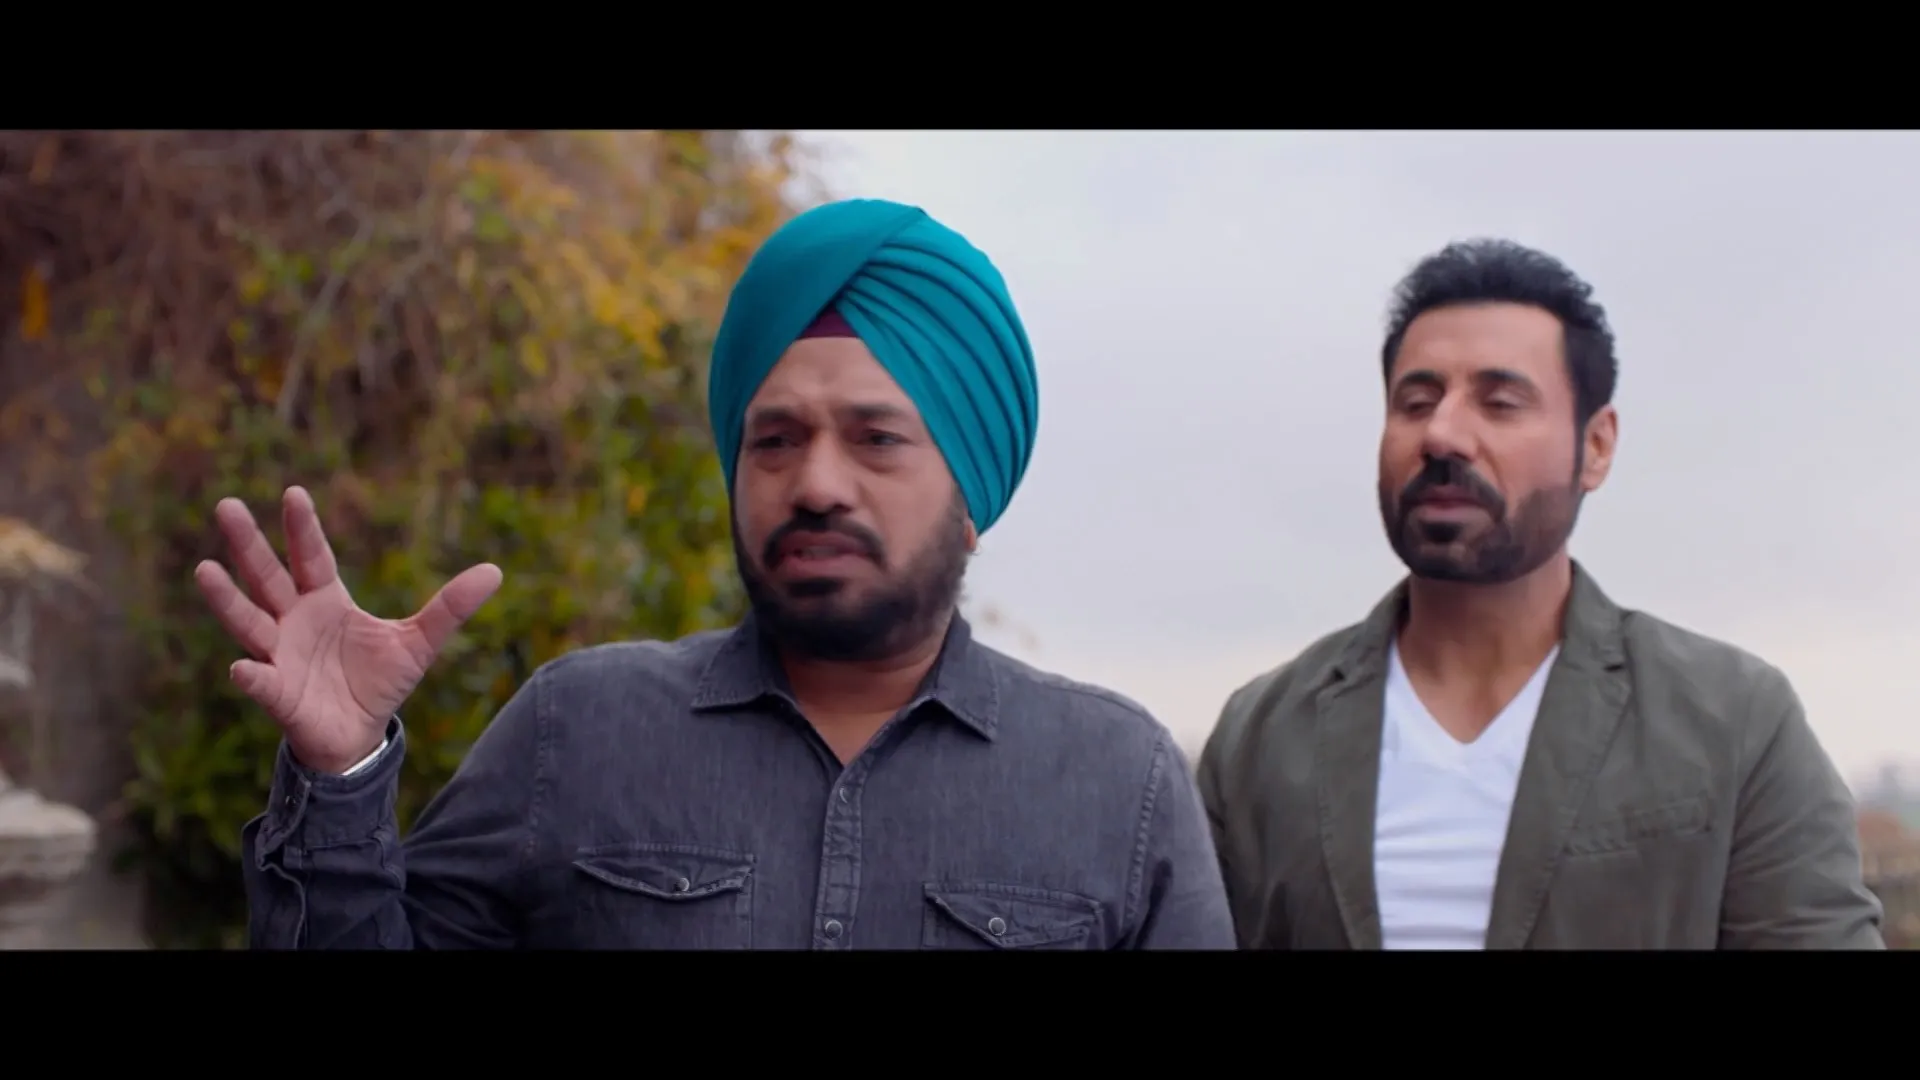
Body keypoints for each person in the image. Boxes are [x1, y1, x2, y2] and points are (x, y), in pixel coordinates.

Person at [204, 197, 1235, 950]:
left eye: (876, 439)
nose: (816, 483)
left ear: (973, 497)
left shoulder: (1118, 783)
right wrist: (340, 777)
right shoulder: (579, 731)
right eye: (775, 439)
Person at [1197, 239, 1884, 950]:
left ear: (1597, 446)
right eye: (1416, 402)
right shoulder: (1262, 736)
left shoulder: (1732, 719)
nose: (1442, 434)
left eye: (1499, 403)